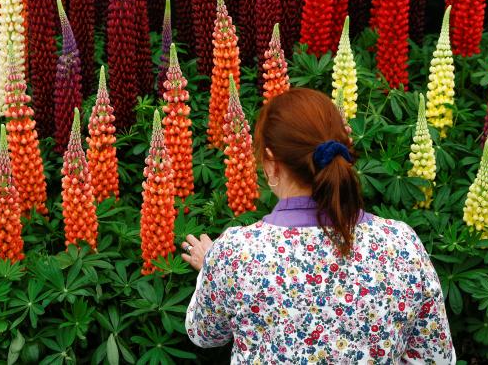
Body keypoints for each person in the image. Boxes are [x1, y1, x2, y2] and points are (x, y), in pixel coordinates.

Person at [182, 88, 456, 363]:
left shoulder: (233, 253)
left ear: (271, 163)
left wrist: (212, 265)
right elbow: (436, 357)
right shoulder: (402, 243)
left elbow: (205, 334)